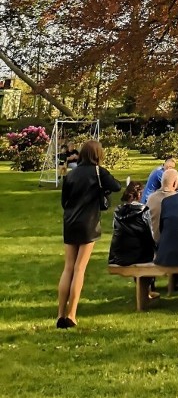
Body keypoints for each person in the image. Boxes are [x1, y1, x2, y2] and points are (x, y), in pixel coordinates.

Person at [57, 138, 121, 328]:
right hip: (88, 223)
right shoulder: (98, 172)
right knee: (79, 269)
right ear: (98, 155)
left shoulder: (71, 174)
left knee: (68, 267)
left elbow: (64, 202)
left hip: (70, 222)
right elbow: (116, 186)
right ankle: (72, 314)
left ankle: (60, 313)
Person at [108, 181, 158, 302]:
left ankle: (145, 292)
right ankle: (146, 293)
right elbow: (149, 234)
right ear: (139, 195)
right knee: (149, 253)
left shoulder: (117, 211)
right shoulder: (143, 211)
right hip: (139, 255)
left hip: (119, 255)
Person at [147, 167, 178, 242]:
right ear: (175, 183)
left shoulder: (151, 198)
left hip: (152, 241)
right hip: (169, 243)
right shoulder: (177, 199)